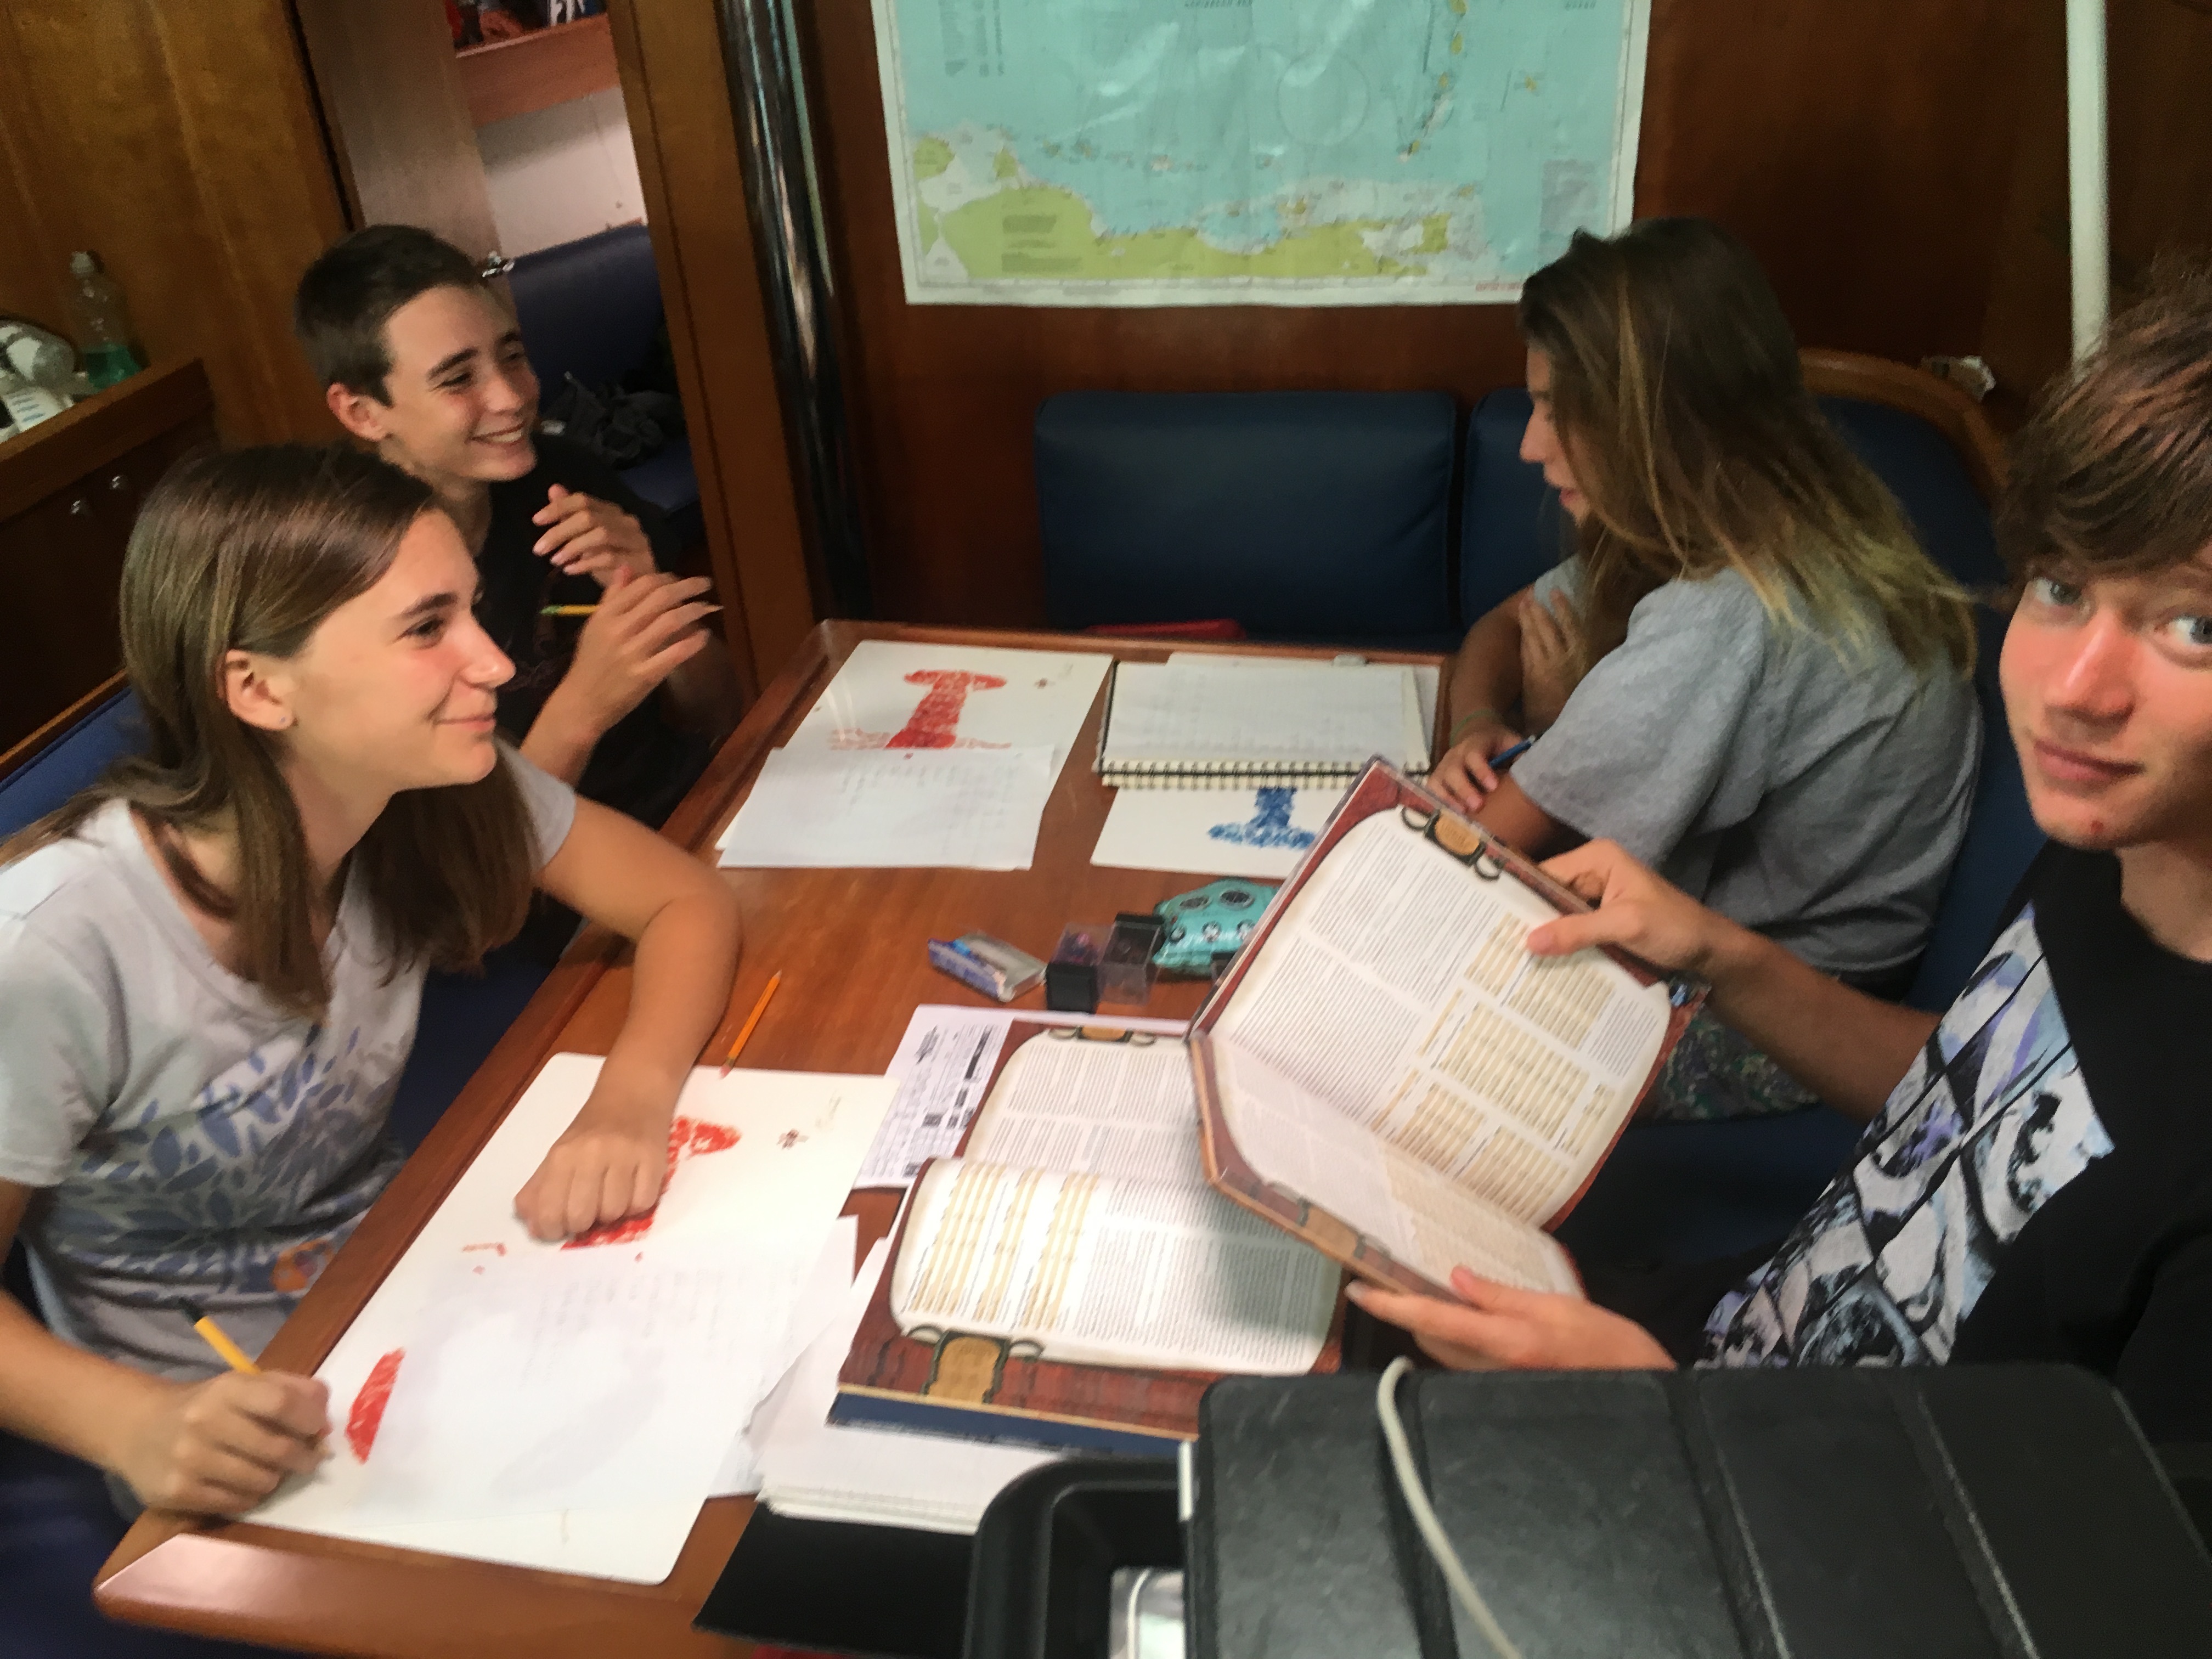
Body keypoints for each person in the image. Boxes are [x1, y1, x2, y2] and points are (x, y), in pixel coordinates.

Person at [1355, 272, 2212, 1444]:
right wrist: (1726, 956)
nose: (2071, 690)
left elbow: (2067, 1545)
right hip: (1743, 1342)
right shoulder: (2118, 858)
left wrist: (1657, 1401)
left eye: (2192, 626)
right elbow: (1964, 1081)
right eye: (2060, 589)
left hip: (1770, 1469)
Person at [0, 445, 744, 1516]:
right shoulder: (52, 942)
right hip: (235, 1421)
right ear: (259, 687)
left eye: (471, 612)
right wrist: (130, 1422)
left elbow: (683, 901)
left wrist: (630, 1097)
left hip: (420, 1289)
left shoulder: (434, 781)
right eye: (427, 629)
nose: (495, 664)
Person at [1432, 218, 1981, 1118]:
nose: (1531, 446)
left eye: (1560, 410)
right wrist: (1477, 720)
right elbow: (1504, 622)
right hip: (1742, 941)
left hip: (1782, 1015)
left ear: (1659, 419)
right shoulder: (1751, 520)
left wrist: (1559, 722)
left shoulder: (1730, 614)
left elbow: (1472, 855)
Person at [293, 224, 742, 834]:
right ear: (363, 413)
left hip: (686, 813)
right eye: (457, 379)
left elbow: (719, 711)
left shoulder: (565, 479)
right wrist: (582, 709)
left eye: (512, 356)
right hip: (544, 875)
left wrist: (652, 601)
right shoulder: (348, 578)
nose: (511, 398)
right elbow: (468, 864)